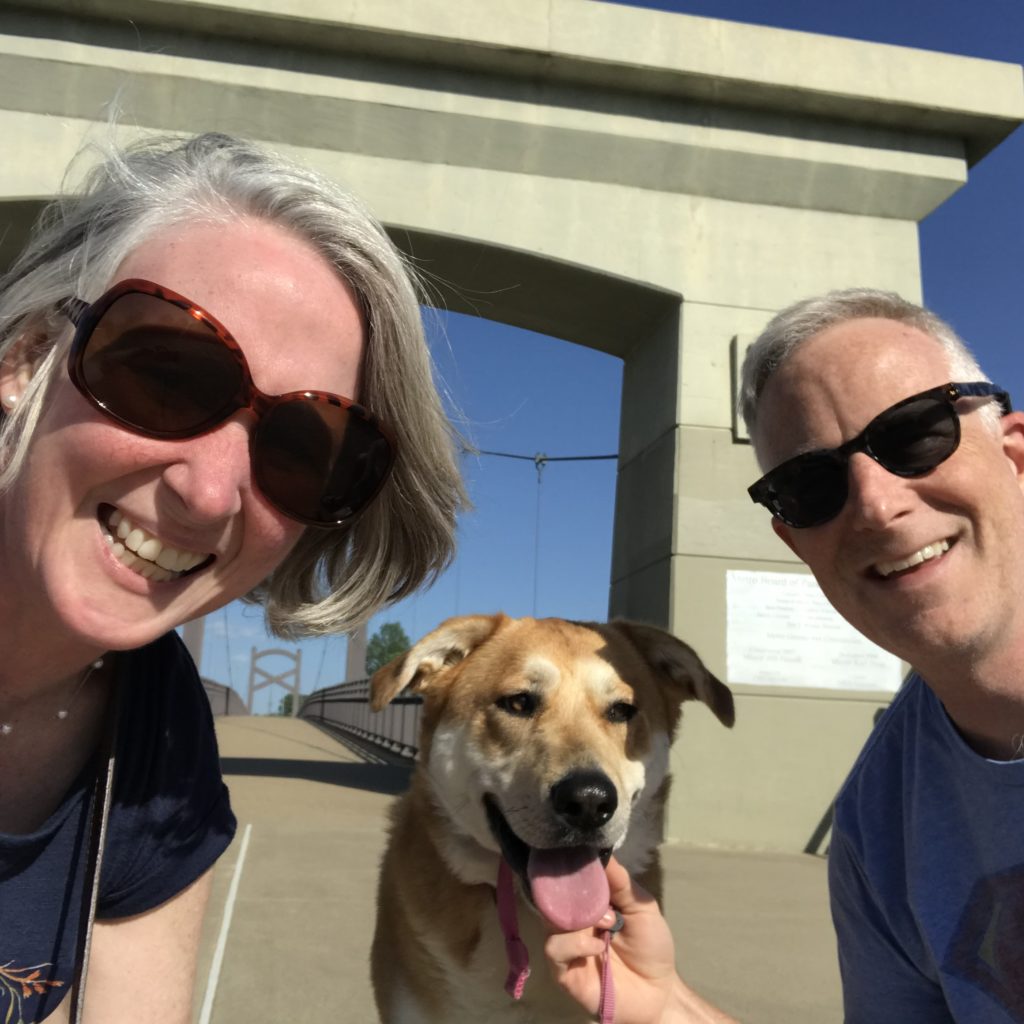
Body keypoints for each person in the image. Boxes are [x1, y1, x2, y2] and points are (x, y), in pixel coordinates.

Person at [0, 131, 465, 1023]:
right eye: (166, 377)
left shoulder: (159, 740)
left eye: (301, 451)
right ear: (25, 357)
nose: (210, 493)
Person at [548, 287, 1024, 1023]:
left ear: (1015, 453)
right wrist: (671, 1012)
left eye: (916, 434)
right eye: (812, 485)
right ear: (796, 542)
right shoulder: (879, 822)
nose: (874, 502)